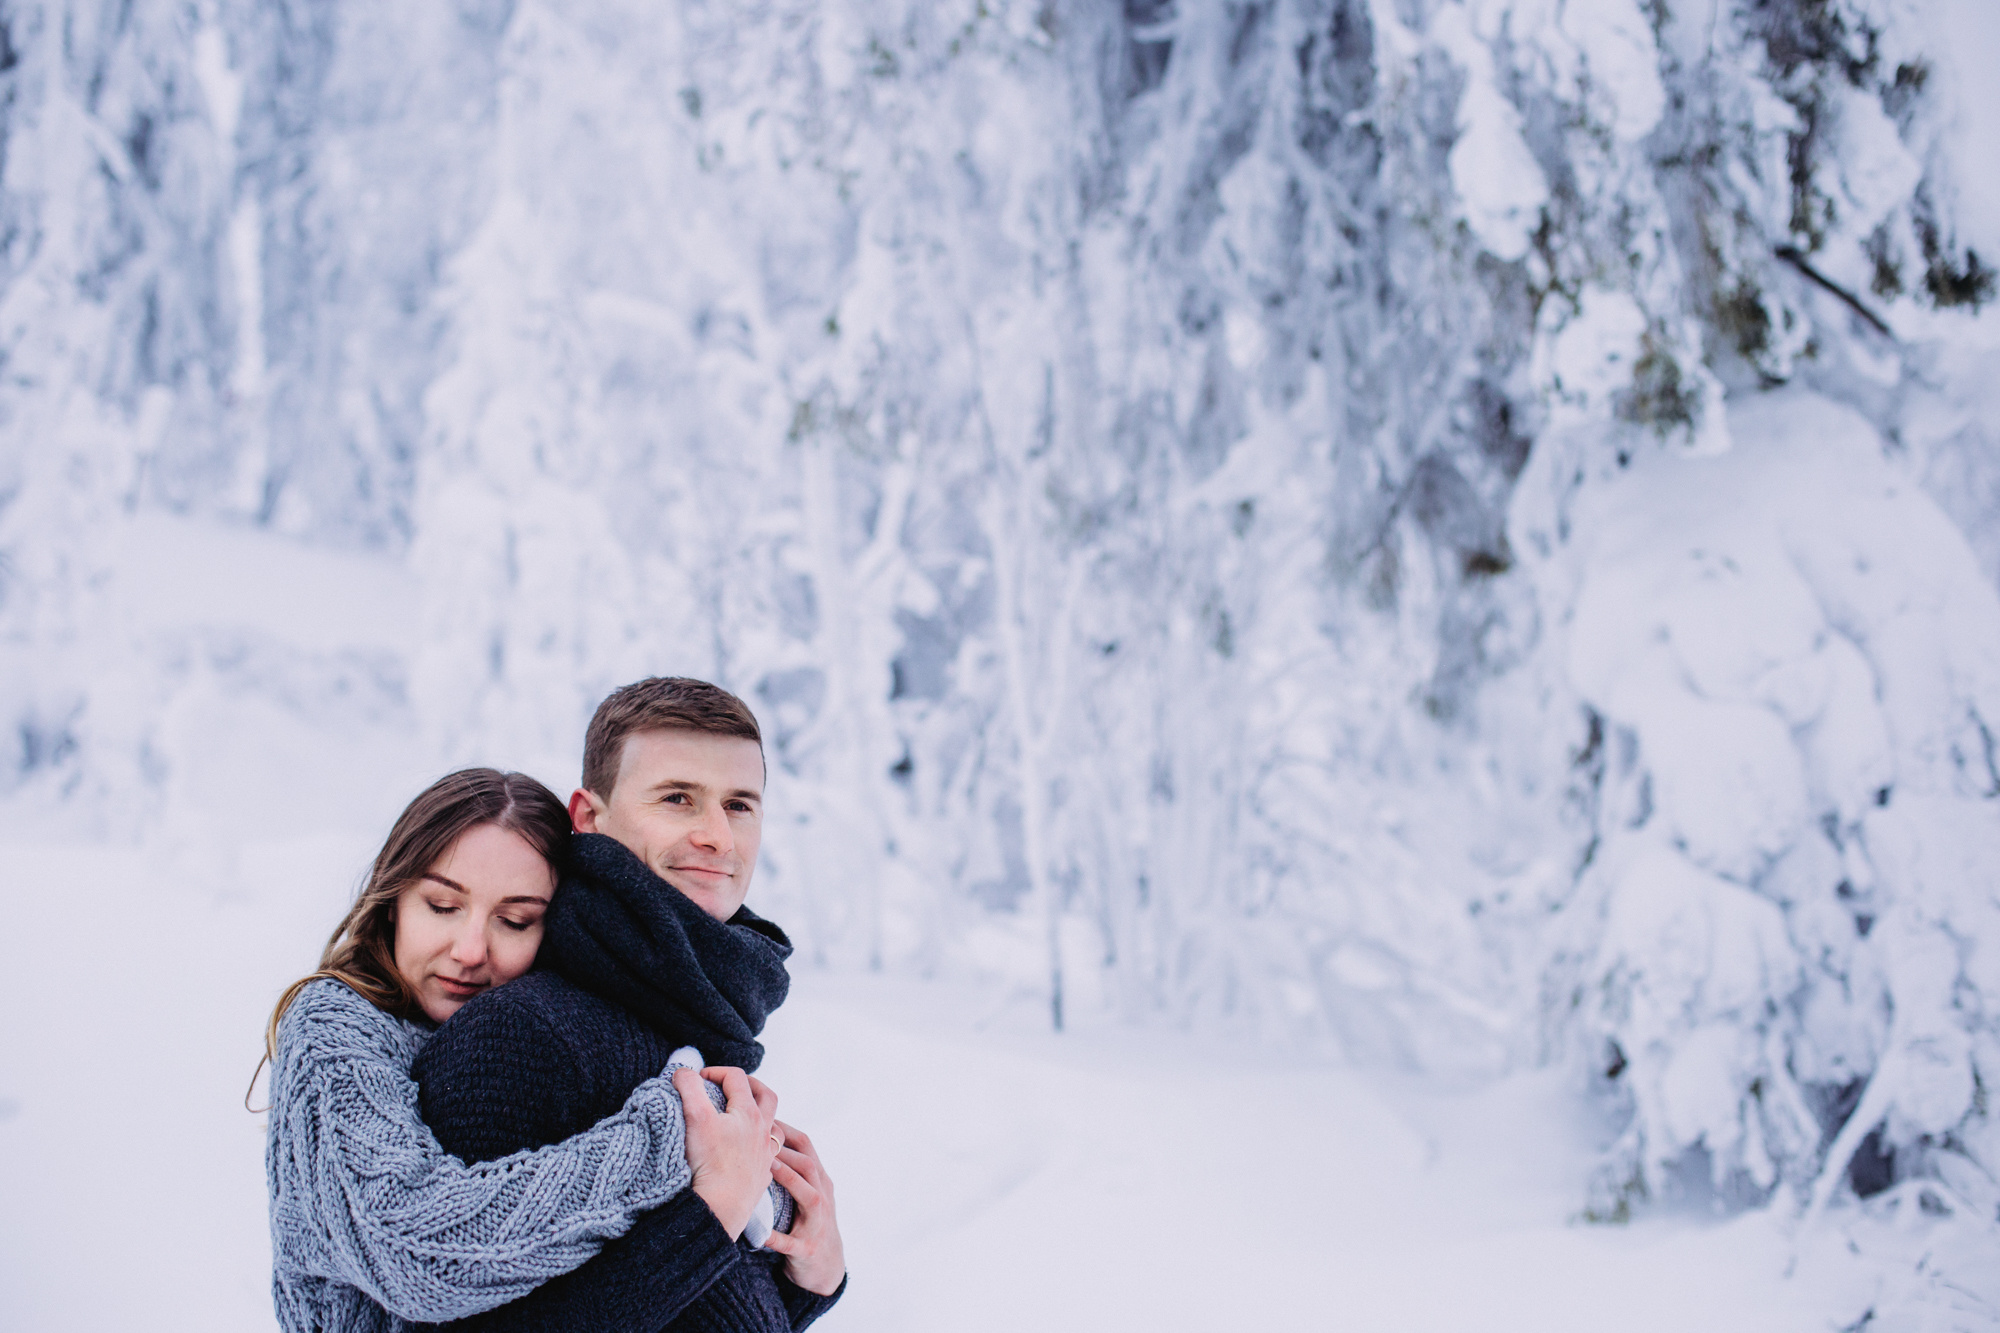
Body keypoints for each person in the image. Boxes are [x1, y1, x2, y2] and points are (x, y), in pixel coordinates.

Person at [262, 768, 782, 1333]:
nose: (469, 950)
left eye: (515, 921)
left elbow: (588, 1308)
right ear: (394, 902)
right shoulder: (335, 1026)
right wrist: (673, 1139)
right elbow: (410, 1250)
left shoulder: (543, 1040)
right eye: (442, 905)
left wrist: (805, 1274)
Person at [409, 677, 847, 1332]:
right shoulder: (521, 1036)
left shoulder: (692, 1021)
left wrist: (811, 1277)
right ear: (590, 817)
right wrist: (712, 1217)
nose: (717, 836)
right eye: (677, 798)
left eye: (738, 805)